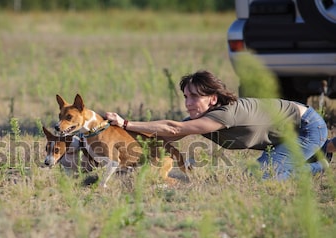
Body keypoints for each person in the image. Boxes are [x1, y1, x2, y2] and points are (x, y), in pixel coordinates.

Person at [105, 70, 334, 180]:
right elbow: (165, 136)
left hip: (307, 126)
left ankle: (320, 165)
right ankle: (328, 147)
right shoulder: (204, 118)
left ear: (213, 99)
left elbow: (174, 128)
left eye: (194, 96)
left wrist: (126, 122)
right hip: (288, 135)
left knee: (258, 176)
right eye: (185, 96)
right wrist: (110, 139)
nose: (188, 102)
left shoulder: (223, 115)